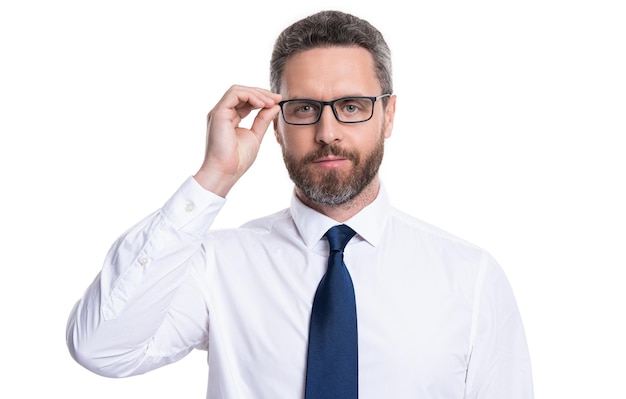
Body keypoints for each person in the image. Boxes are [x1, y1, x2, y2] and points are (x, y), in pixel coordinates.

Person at [66, 9, 534, 399]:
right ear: (275, 124)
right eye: (305, 108)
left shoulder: (469, 278)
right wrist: (214, 178)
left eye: (351, 106)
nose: (327, 132)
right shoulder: (219, 266)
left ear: (388, 116)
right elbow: (101, 347)